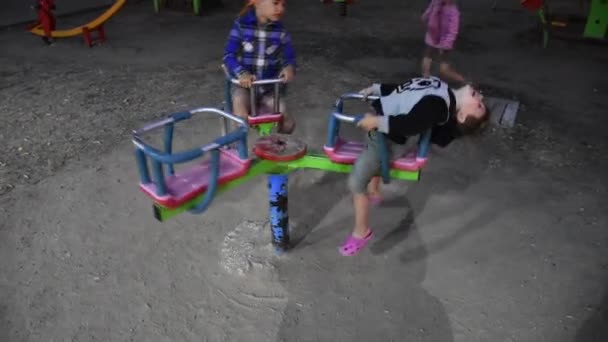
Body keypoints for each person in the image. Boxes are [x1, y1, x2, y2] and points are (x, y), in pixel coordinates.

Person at [340, 76, 489, 256]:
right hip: (379, 134)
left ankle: (361, 232)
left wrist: (377, 122)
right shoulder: (441, 89)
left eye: (479, 106)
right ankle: (375, 192)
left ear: (462, 115)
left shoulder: (438, 106)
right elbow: (407, 90)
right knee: (373, 163)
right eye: (481, 101)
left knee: (357, 182)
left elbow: (410, 125)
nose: (481, 98)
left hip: (384, 142)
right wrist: (377, 88)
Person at [223, 0, 297, 134]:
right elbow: (229, 55)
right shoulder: (241, 25)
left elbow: (288, 57)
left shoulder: (281, 31)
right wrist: (241, 73)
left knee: (288, 122)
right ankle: (240, 150)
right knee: (240, 116)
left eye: (283, 4)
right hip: (244, 88)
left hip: (269, 90)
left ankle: (277, 148)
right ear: (256, 3)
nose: (281, 8)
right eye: (275, 3)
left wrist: (289, 67)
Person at [420, 0, 465, 84]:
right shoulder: (436, 2)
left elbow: (453, 31)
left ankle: (463, 81)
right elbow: (429, 11)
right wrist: (426, 16)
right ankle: (426, 79)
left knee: (443, 69)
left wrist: (444, 45)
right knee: (427, 58)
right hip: (433, 36)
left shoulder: (453, 12)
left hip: (443, 40)